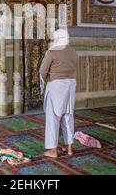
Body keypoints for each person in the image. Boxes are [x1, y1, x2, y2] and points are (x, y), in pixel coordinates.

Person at [39, 29, 78, 158]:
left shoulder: (52, 52)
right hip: (71, 85)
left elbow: (43, 71)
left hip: (56, 86)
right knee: (68, 115)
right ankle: (70, 147)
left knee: (53, 117)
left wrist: (47, 80)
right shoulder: (73, 52)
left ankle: (53, 150)